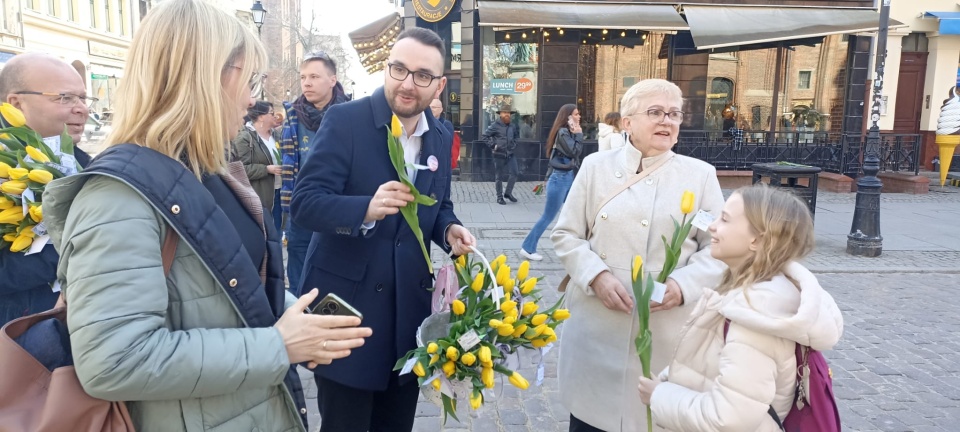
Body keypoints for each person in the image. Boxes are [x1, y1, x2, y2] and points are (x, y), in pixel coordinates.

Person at [41, 1, 371, 430]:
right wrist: (277, 345)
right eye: (249, 79)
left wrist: (297, 320)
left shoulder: (206, 168)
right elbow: (113, 360)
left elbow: (233, 284)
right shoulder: (116, 197)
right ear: (202, 76)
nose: (253, 98)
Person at [290, 27, 476, 432]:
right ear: (386, 68)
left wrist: (449, 231)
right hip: (346, 316)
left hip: (407, 318)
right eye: (399, 69)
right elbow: (304, 204)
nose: (408, 84)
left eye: (423, 75)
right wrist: (366, 209)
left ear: (440, 84)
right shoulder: (346, 121)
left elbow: (439, 205)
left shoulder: (441, 135)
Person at [551, 78, 726, 432]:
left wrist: (683, 285)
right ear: (627, 122)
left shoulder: (700, 176)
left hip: (666, 337)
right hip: (596, 331)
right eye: (655, 112)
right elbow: (565, 234)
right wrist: (596, 276)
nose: (667, 121)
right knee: (591, 423)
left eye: (674, 114)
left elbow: (719, 250)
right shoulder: (595, 167)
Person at [638, 185, 843, 431]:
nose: (712, 226)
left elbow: (727, 418)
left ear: (758, 239)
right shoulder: (752, 294)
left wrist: (659, 396)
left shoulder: (755, 317)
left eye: (724, 219)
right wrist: (668, 380)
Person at [0, 52, 93, 326]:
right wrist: (76, 249)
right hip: (23, 339)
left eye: (83, 98)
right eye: (64, 98)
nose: (82, 109)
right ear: (16, 104)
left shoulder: (89, 166)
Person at [280, 50, 349, 292]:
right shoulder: (292, 116)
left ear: (332, 80)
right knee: (299, 275)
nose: (307, 83)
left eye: (314, 77)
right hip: (301, 210)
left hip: (337, 209)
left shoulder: (351, 115)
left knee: (338, 271)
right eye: (303, 77)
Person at [519, 104, 583, 262]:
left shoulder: (567, 132)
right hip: (560, 179)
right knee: (548, 216)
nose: (579, 116)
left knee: (574, 213)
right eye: (576, 114)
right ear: (567, 117)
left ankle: (575, 247)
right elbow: (574, 151)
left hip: (567, 177)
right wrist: (579, 134)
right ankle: (528, 247)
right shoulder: (563, 132)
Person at [231, 101, 282, 213]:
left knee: (278, 227)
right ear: (261, 117)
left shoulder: (276, 135)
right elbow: (240, 169)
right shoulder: (244, 138)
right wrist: (266, 169)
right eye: (271, 113)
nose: (275, 116)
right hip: (261, 196)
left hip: (279, 191)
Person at [483, 104, 519, 205]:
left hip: (510, 153)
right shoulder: (495, 125)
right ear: (500, 114)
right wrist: (493, 145)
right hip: (499, 154)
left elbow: (516, 136)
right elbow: (485, 136)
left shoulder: (512, 125)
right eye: (504, 113)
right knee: (499, 176)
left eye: (508, 113)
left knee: (515, 173)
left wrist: (514, 145)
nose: (507, 115)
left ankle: (508, 193)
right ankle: (499, 197)